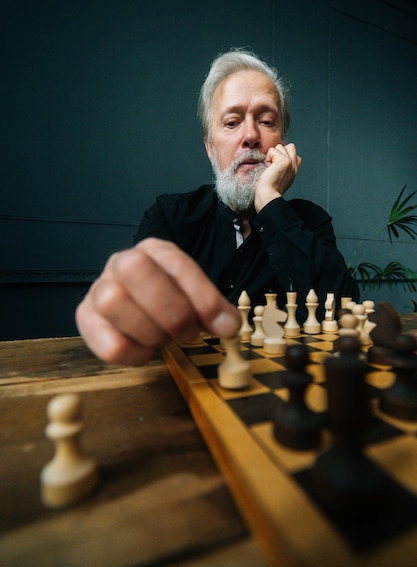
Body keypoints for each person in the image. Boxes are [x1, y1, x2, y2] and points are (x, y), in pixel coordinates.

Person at [76, 48, 359, 366]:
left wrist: (268, 201)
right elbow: (142, 304)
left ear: (283, 143)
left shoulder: (310, 223)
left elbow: (344, 313)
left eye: (266, 121)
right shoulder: (170, 218)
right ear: (210, 147)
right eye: (232, 122)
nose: (251, 136)